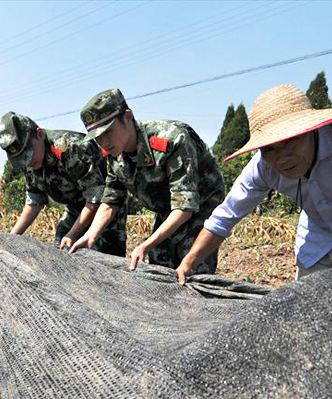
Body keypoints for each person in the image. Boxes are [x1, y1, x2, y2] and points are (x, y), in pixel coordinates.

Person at [175, 84, 332, 305]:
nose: (282, 157)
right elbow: (225, 216)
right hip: (320, 230)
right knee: (308, 308)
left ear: (311, 130)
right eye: (269, 148)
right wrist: (189, 262)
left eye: (290, 141)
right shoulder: (263, 166)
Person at [69, 89, 225, 273]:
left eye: (108, 132)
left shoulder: (171, 139)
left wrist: (145, 244)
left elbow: (185, 206)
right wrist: (90, 235)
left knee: (191, 266)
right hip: (167, 208)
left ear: (128, 116)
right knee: (160, 263)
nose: (103, 142)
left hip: (201, 204)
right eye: (97, 137)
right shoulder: (114, 154)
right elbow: (111, 199)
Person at [0, 112, 127, 256]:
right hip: (75, 207)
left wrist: (72, 234)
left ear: (39, 134)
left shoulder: (71, 148)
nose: (28, 162)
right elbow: (34, 201)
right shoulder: (27, 162)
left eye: (29, 153)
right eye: (22, 158)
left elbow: (94, 199)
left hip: (104, 207)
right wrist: (9, 239)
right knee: (61, 252)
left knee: (106, 259)